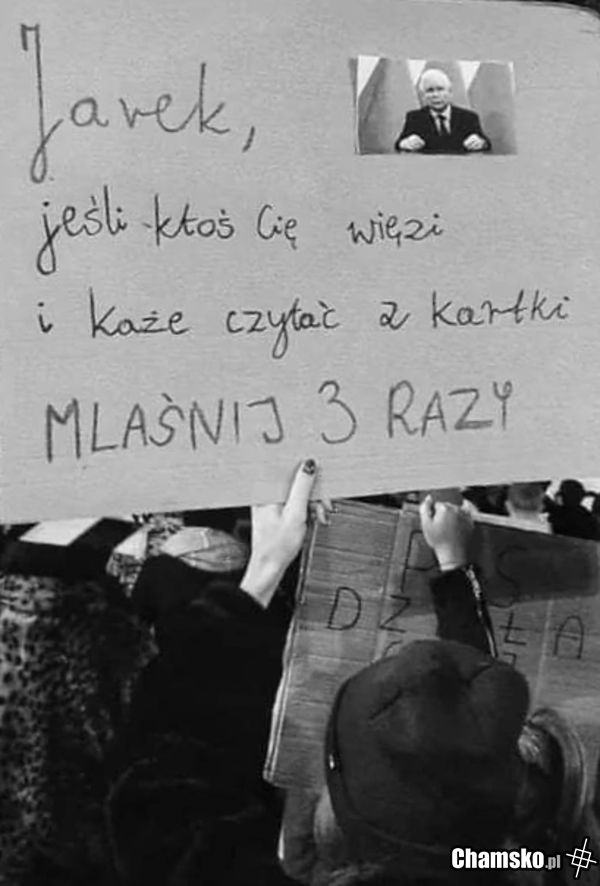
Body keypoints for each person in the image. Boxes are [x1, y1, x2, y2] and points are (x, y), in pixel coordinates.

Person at [107, 473, 598, 886]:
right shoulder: (513, 861)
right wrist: (453, 568)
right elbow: (464, 756)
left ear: (337, 797)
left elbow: (158, 794)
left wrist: (265, 568)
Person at [395, 68, 490, 155]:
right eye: (430, 91)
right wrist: (405, 143)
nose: (435, 95)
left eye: (440, 89)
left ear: (450, 92)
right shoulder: (414, 117)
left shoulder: (468, 117)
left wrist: (481, 143)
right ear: (423, 96)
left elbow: (486, 144)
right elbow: (399, 144)